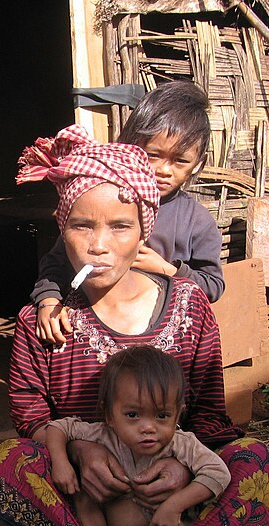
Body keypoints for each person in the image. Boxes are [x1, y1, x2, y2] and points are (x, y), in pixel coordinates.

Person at [0, 125, 269, 526]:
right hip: (89, 497)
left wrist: (184, 471)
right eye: (82, 226)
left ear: (145, 231)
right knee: (14, 462)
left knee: (254, 462)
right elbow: (31, 416)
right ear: (62, 230)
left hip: (170, 498)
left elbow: (207, 416)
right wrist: (81, 452)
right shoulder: (42, 322)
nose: (99, 244)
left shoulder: (189, 307)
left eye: (120, 226)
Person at [32, 80, 225, 347]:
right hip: (93, 334)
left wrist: (167, 270)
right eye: (153, 155)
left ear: (197, 164)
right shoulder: (106, 202)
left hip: (162, 341)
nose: (164, 170)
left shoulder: (196, 221)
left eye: (180, 160)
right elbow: (56, 261)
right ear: (131, 145)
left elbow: (213, 286)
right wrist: (48, 299)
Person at [45, 346, 231, 526]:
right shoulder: (103, 434)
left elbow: (219, 472)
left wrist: (175, 505)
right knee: (83, 496)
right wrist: (61, 463)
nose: (148, 427)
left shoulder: (181, 443)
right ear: (109, 415)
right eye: (132, 415)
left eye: (162, 416)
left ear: (178, 414)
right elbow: (58, 428)